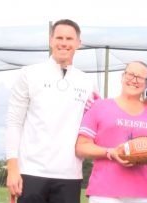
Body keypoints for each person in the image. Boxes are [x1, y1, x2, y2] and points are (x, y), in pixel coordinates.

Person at [5, 19, 97, 203]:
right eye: (59, 37)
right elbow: (14, 122)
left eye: (69, 38)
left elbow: (93, 125)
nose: (64, 43)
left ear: (78, 43)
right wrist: (13, 168)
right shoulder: (29, 74)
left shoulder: (88, 81)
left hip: (70, 175)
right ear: (50, 40)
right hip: (30, 172)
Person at [75, 61, 147, 203]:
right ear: (122, 76)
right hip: (104, 191)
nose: (134, 80)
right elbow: (81, 147)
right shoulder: (100, 106)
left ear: (146, 84)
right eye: (130, 74)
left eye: (140, 77)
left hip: (143, 193)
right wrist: (110, 152)